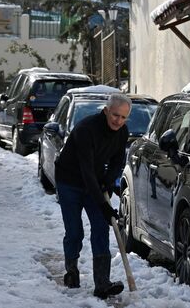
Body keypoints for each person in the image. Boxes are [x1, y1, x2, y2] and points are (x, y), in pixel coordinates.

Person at [54, 93, 132, 299]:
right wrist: (104, 205)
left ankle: (102, 283)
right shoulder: (86, 130)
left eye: (124, 117)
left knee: (100, 226)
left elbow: (117, 161)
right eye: (115, 115)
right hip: (69, 181)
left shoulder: (122, 132)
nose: (119, 121)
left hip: (94, 182)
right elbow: (86, 170)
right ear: (106, 111)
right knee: (74, 231)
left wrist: (108, 179)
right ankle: (71, 271)